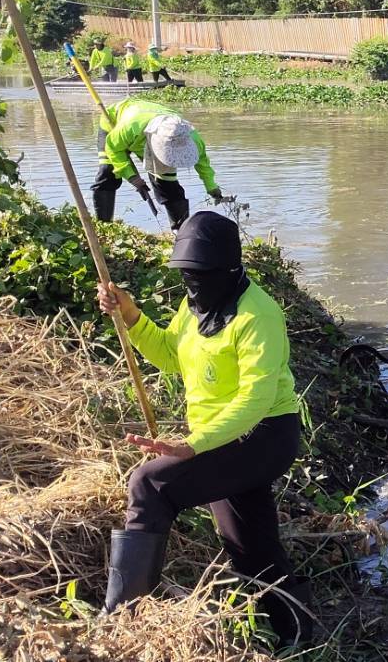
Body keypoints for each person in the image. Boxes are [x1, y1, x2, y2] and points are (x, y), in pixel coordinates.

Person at [95, 212, 315, 645]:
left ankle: (120, 621)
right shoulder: (193, 307)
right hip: (218, 437)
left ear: (229, 270)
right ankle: (298, 635)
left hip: (263, 435)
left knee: (150, 485)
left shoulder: (258, 316)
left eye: (201, 276)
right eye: (187, 276)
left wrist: (194, 445)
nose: (193, 285)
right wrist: (132, 316)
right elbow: (172, 356)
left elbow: (255, 400)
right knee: (249, 544)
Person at [95, 97, 227, 228]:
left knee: (167, 184)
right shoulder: (131, 127)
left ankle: (180, 230)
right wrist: (132, 177)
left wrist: (211, 186)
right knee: (108, 172)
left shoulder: (192, 137)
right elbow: (113, 149)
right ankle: (104, 226)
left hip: (144, 135)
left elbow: (203, 163)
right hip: (115, 124)